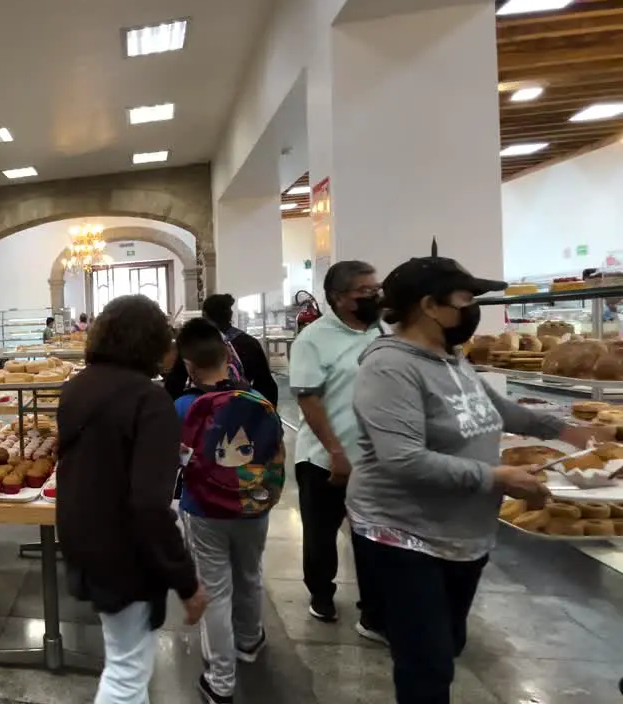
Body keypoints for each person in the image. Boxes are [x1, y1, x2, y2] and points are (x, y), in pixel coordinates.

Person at [349, 255, 608, 704]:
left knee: (448, 647)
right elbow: (402, 460)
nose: (473, 310)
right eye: (466, 299)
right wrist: (495, 477)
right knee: (426, 665)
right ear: (430, 306)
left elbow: (495, 409)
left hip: (462, 534)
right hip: (406, 535)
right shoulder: (390, 367)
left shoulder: (450, 359)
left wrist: (567, 431)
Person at [57, 295, 206, 704]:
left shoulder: (77, 387)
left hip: (82, 535)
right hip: (122, 549)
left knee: (122, 657)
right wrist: (186, 580)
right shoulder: (148, 399)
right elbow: (148, 505)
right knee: (127, 672)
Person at [174, 318, 285, 704]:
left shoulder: (183, 407)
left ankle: (221, 682)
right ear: (228, 357)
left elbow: (177, 460)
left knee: (215, 591)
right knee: (250, 573)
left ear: (188, 365)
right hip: (254, 505)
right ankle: (250, 641)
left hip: (204, 509)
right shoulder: (258, 402)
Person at [287, 260, 385, 633]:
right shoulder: (313, 339)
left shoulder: (382, 331)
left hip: (376, 460)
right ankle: (321, 594)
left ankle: (373, 607)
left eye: (376, 289)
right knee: (321, 535)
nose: (375, 296)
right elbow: (309, 399)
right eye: (365, 291)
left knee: (372, 536)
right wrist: (335, 450)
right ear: (339, 298)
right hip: (324, 458)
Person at [201, 294, 278, 407]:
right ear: (230, 315)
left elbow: (177, 381)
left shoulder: (198, 344)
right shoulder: (249, 343)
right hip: (245, 405)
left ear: (205, 315)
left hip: (207, 408)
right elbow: (266, 384)